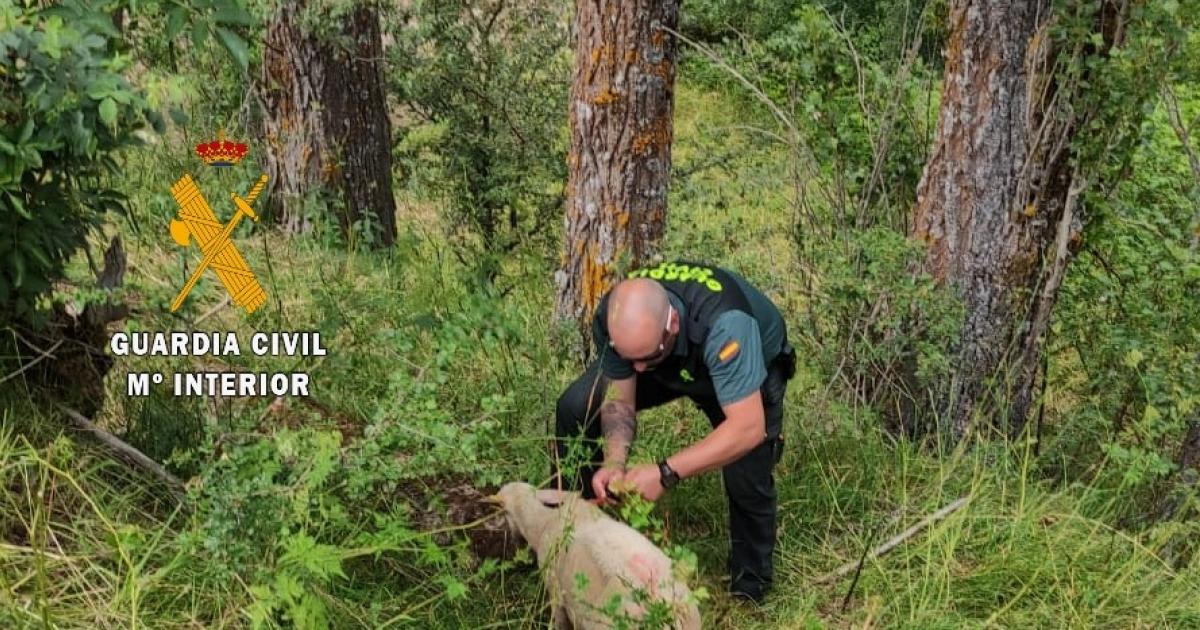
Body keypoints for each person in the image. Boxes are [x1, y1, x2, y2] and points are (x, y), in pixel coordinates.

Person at [552, 260, 795, 603]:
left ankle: (749, 585)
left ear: (672, 325)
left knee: (746, 471)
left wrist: (665, 473)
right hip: (672, 358)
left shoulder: (727, 328)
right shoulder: (618, 318)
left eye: (644, 359)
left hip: (746, 365)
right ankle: (574, 536)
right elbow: (620, 398)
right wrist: (614, 461)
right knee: (575, 406)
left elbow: (748, 427)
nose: (636, 369)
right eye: (629, 358)